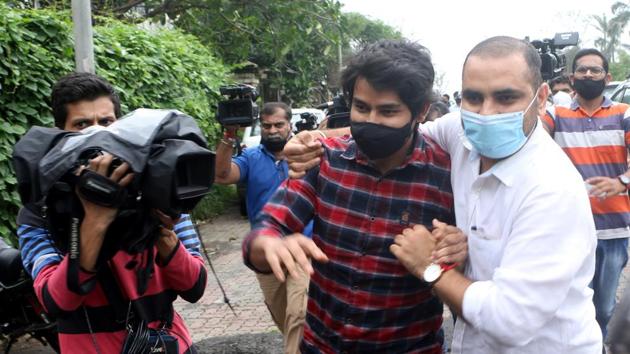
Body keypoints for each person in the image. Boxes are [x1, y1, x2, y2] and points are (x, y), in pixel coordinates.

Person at [284, 36, 602, 353]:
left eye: (506, 98)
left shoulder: (551, 188)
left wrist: (430, 266)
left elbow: (510, 322)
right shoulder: (462, 133)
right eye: (473, 97)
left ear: (542, 97)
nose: (487, 113)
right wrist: (315, 139)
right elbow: (397, 130)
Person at [244, 40, 466, 353]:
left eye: (387, 111)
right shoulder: (324, 162)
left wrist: (459, 250)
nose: (371, 120)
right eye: (361, 107)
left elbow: (472, 264)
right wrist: (266, 243)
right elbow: (270, 225)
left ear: (421, 111)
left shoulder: (447, 176)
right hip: (320, 345)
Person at [17, 72, 206, 354]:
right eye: (82, 124)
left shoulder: (154, 188)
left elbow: (194, 287)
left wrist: (161, 230)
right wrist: (93, 222)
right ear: (62, 132)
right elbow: (57, 302)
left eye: (106, 122)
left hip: (169, 344)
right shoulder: (42, 208)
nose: (97, 133)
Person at [542, 48, 630, 340]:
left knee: (604, 306)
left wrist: (623, 181)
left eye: (594, 70)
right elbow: (532, 136)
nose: (588, 75)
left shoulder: (623, 113)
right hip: (569, 229)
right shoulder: (557, 114)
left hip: (614, 228)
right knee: (571, 303)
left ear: (608, 77)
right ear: (571, 77)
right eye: (582, 70)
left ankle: (599, 342)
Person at [214, 102, 311, 354]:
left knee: (299, 315)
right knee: (282, 317)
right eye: (267, 126)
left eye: (279, 124)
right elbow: (222, 176)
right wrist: (228, 136)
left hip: (304, 248)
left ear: (289, 125)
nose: (272, 130)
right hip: (266, 252)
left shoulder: (305, 155)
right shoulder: (251, 157)